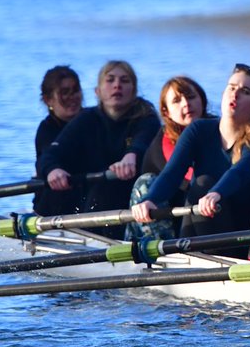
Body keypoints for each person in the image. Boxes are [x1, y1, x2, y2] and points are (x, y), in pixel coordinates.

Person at [131, 63, 250, 256]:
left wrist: (216, 193)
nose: (235, 95)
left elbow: (239, 174)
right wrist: (150, 200)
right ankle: (186, 257)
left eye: (245, 92)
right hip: (199, 228)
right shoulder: (199, 130)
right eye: (232, 87)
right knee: (200, 188)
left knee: (203, 184)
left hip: (240, 240)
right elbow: (172, 173)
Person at [40, 60, 160, 235]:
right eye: (110, 80)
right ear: (98, 91)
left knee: (105, 188)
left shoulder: (146, 117)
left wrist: (131, 156)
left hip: (135, 200)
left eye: (124, 81)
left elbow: (141, 142)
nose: (117, 85)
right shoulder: (86, 118)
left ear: (133, 91)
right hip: (94, 200)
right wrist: (52, 170)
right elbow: (51, 154)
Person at [127, 75, 210, 240]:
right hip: (164, 219)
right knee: (145, 182)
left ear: (202, 100)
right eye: (177, 101)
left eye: (191, 97)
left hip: (206, 213)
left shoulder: (219, 131)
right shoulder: (161, 142)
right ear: (166, 112)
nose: (186, 103)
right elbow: (174, 176)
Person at [32, 65, 84, 216]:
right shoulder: (46, 129)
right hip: (54, 205)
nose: (72, 97)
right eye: (64, 92)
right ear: (48, 100)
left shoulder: (92, 119)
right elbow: (45, 158)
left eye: (75, 90)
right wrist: (53, 170)